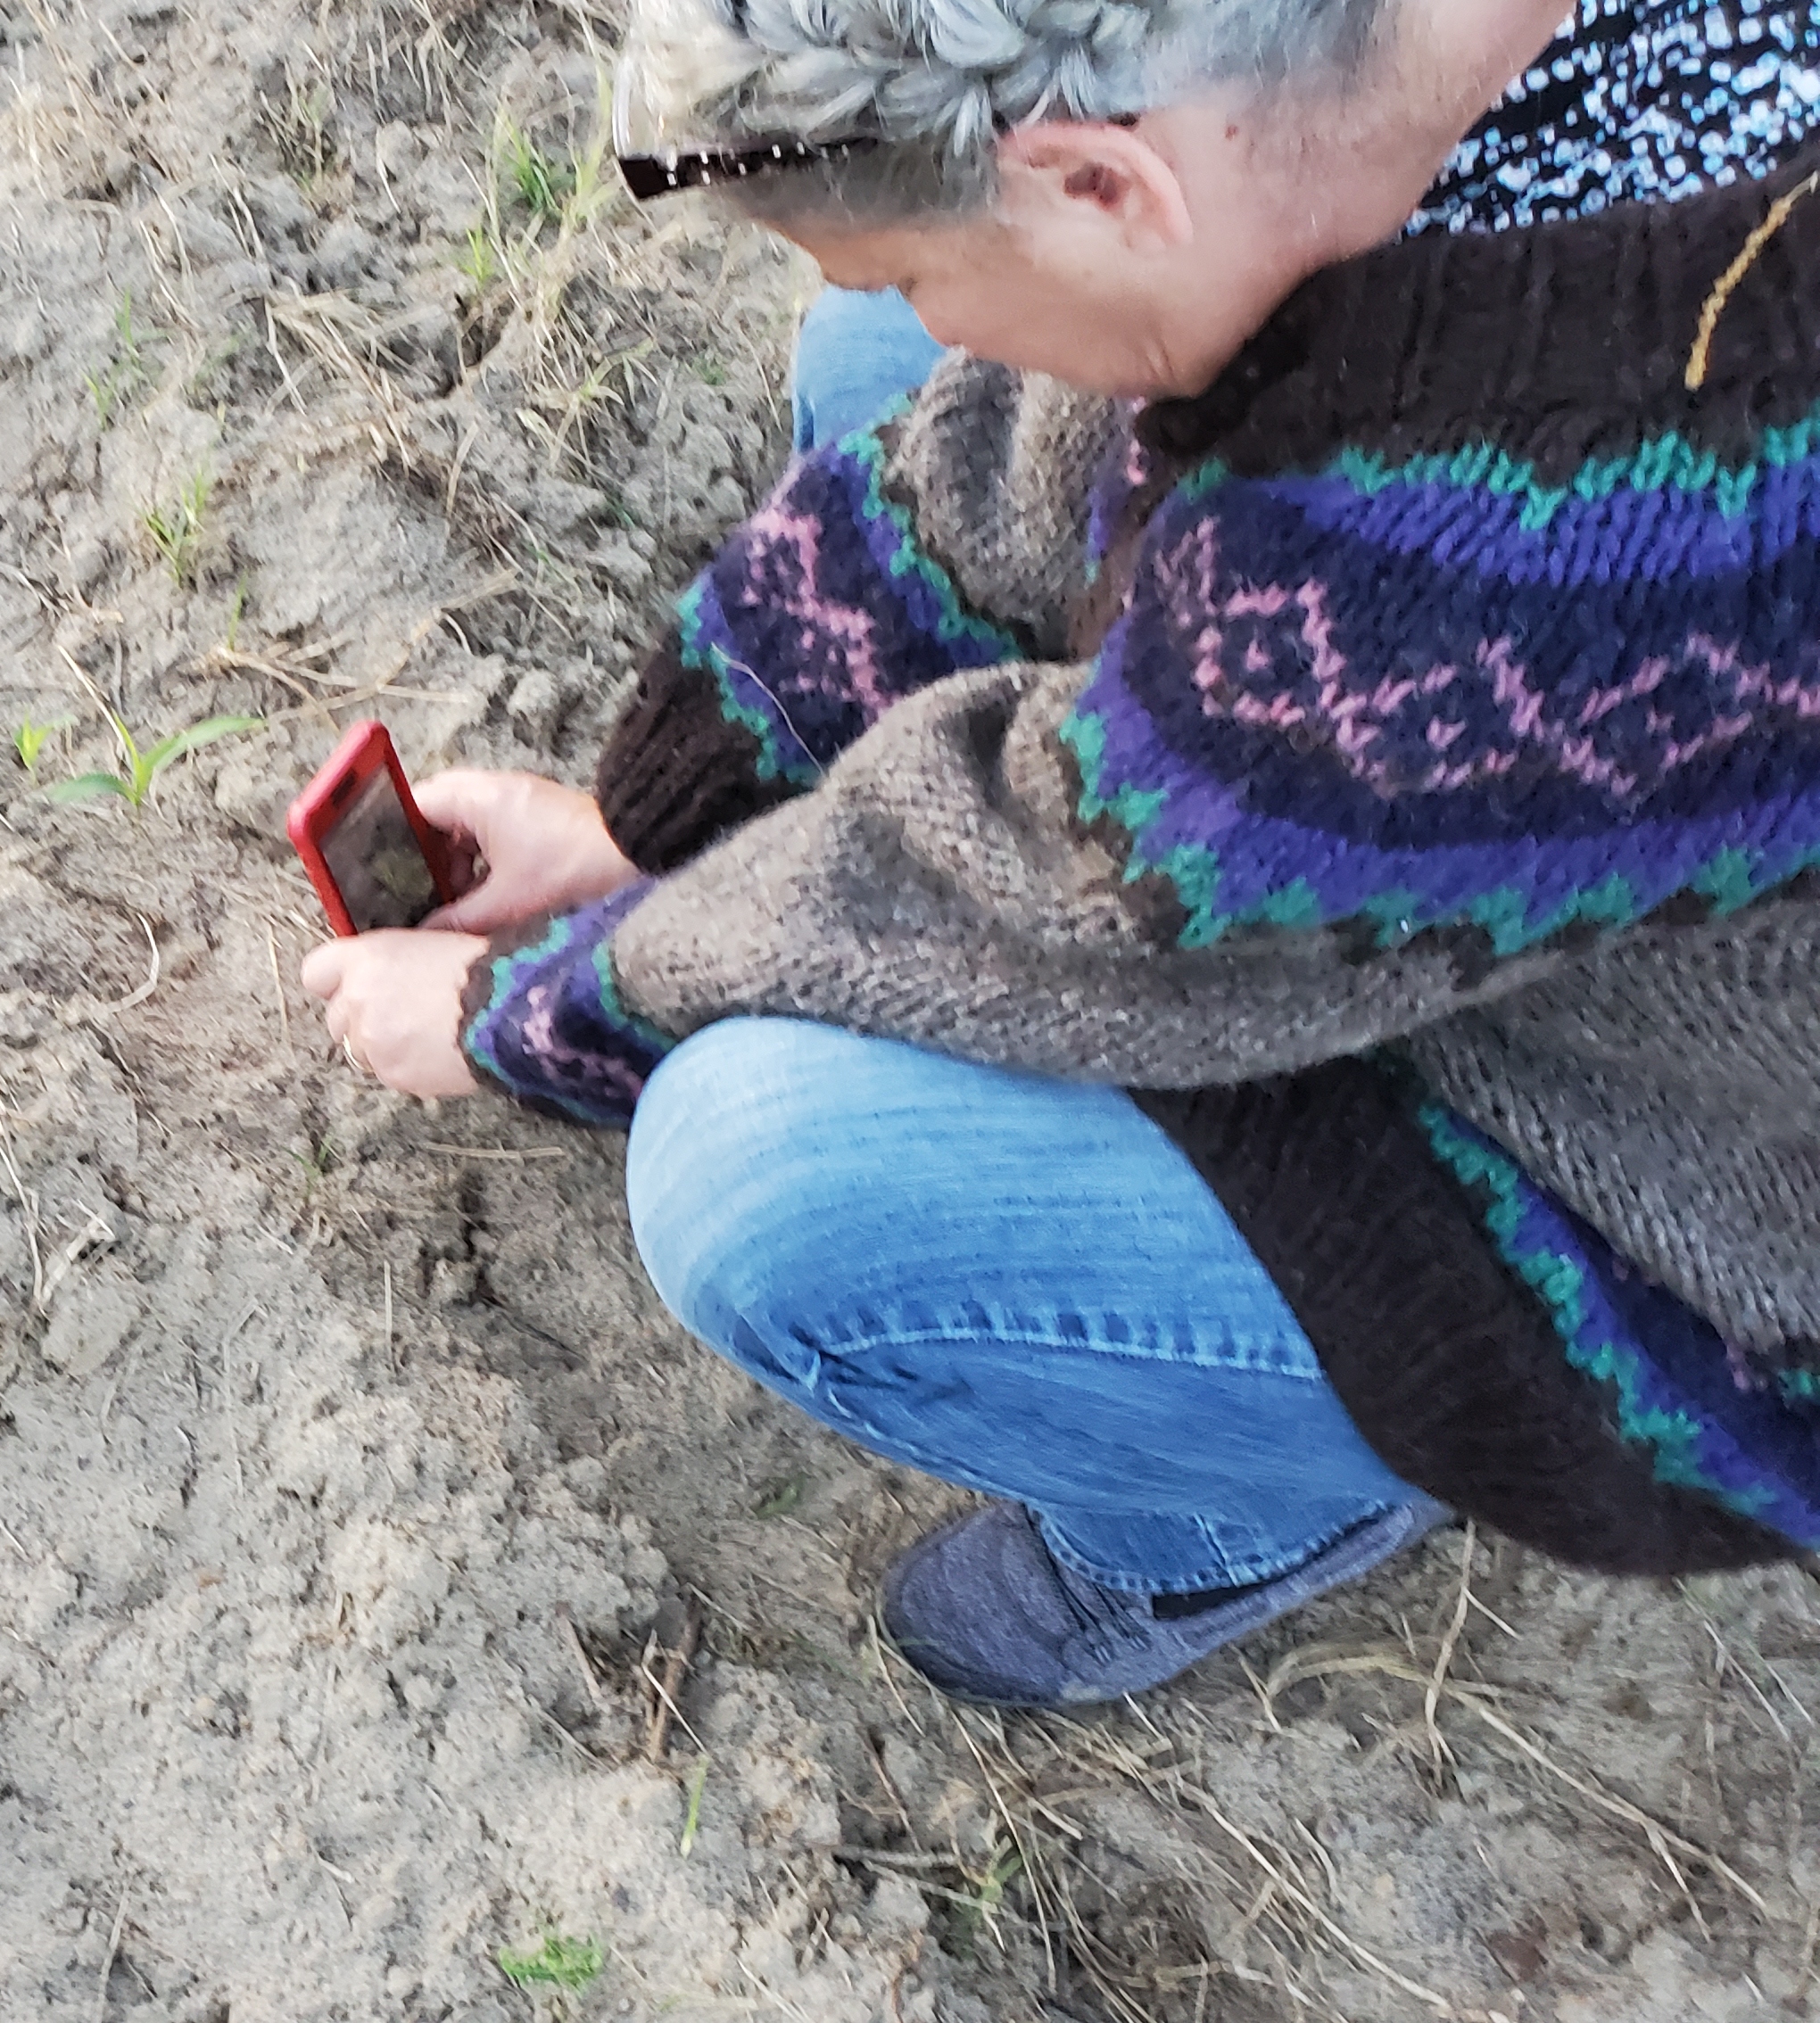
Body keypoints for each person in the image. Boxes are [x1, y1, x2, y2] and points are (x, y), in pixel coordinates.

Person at [301, 0, 1820, 1707]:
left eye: (922, 266)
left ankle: (1247, 1520)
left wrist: (532, 1008)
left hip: (1697, 1208)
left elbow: (1035, 900)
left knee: (764, 1176)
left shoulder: (1521, 552)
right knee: (880, 371)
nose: (919, 307)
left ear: (1105, 179)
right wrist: (645, 810)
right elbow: (1017, 450)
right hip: (1437, 823)